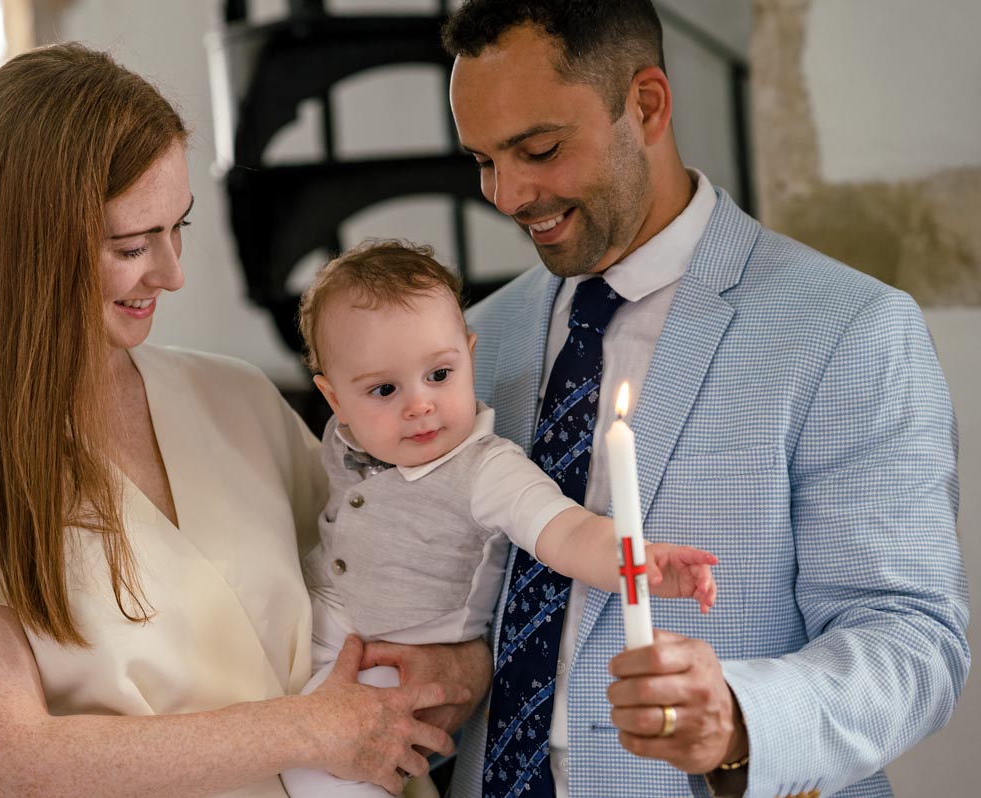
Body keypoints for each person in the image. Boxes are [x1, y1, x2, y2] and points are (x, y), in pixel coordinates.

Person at [0, 43, 491, 798]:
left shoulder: (234, 397)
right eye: (130, 245)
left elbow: (396, 573)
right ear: (24, 250)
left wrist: (463, 663)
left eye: (178, 226)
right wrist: (310, 729)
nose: (172, 272)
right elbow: (13, 762)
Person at [440, 2, 970, 797]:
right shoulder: (474, 343)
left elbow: (912, 641)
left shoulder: (849, 329)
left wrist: (740, 717)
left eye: (539, 149)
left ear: (647, 104)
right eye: (482, 160)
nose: (509, 194)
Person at [279, 240, 719, 797]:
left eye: (440, 374)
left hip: (396, 668)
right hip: (316, 639)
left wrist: (637, 559)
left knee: (323, 775)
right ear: (335, 399)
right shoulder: (346, 443)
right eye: (384, 390)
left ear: (469, 354)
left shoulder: (485, 468)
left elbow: (565, 530)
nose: (420, 405)